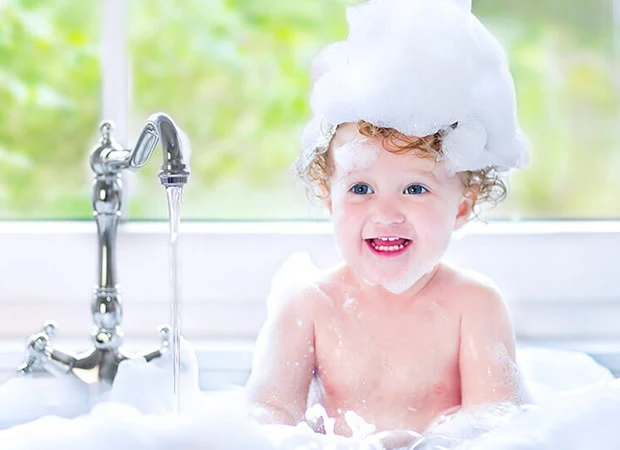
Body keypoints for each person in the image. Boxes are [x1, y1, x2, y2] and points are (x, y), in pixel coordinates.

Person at [246, 0, 530, 437]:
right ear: (328, 198)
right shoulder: (309, 306)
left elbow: (499, 430)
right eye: (360, 189)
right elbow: (268, 426)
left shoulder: (473, 307)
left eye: (415, 189)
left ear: (461, 207)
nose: (386, 213)